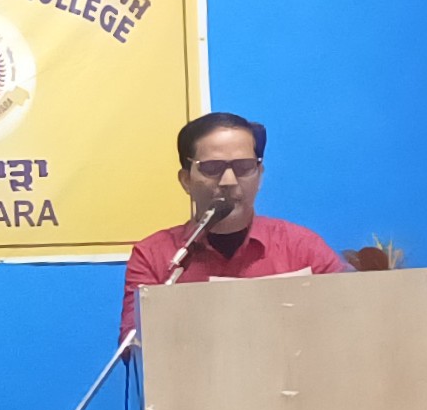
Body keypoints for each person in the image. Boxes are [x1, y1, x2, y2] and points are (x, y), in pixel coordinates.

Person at [119, 112, 349, 339]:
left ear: (259, 175)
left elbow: (348, 324)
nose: (228, 181)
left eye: (244, 167)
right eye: (212, 168)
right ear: (186, 180)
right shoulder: (153, 256)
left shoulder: (303, 249)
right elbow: (135, 346)